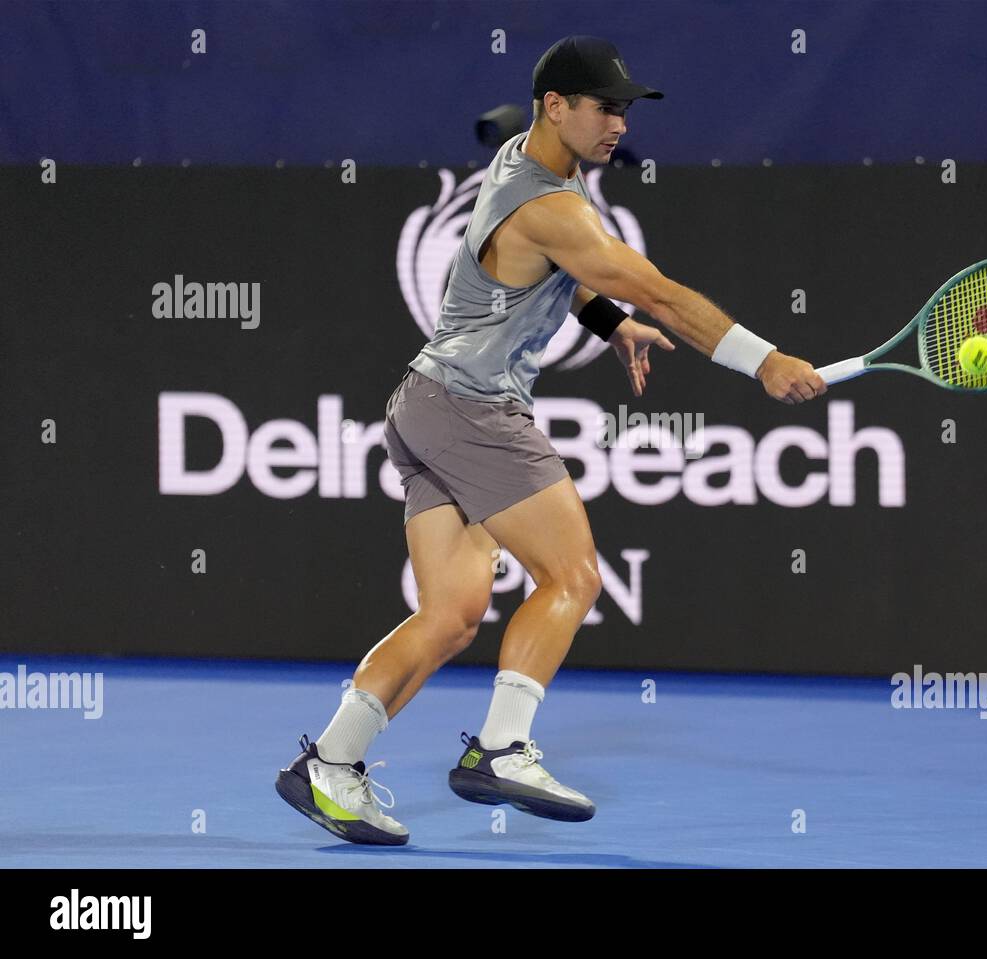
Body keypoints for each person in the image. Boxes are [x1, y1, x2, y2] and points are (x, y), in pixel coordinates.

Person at [276, 35, 826, 845]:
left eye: (624, 110)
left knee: (453, 615)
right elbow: (663, 292)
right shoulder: (554, 205)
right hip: (475, 410)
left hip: (422, 404)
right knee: (571, 576)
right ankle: (501, 747)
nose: (617, 124)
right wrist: (766, 360)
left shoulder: (527, 163)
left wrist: (609, 325)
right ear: (554, 107)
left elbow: (552, 275)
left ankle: (329, 762)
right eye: (604, 107)